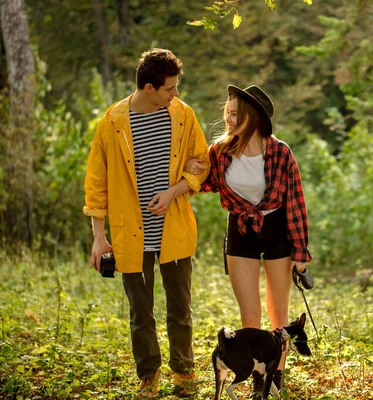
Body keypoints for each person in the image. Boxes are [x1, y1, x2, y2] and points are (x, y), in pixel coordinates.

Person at [83, 48, 210, 398]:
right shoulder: (112, 123)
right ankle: (148, 375)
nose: (176, 94)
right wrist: (99, 237)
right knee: (141, 312)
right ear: (150, 87)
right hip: (130, 234)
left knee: (180, 308)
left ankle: (184, 373)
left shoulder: (183, 116)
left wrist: (175, 190)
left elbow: (201, 162)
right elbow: (97, 183)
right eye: (171, 88)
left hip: (175, 229)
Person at [184, 84, 311, 398]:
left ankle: (276, 376)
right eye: (226, 113)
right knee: (250, 315)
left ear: (252, 118)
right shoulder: (220, 151)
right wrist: (189, 169)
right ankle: (258, 380)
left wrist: (300, 250)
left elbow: (296, 201)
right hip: (240, 231)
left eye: (234, 114)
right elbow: (201, 183)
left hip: (277, 229)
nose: (227, 119)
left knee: (278, 313)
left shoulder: (280, 151)